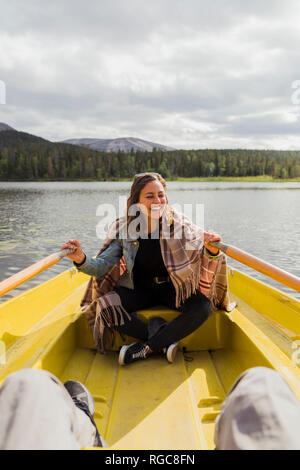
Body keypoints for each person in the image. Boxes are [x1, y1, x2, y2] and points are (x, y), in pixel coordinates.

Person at [62, 172, 232, 365]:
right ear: (137, 201)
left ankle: (146, 348)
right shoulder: (125, 229)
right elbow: (101, 267)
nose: (157, 200)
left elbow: (201, 251)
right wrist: (81, 259)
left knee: (202, 307)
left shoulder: (180, 224)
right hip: (138, 289)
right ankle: (161, 339)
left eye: (161, 195)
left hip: (172, 288)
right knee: (102, 307)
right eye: (150, 196)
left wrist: (211, 249)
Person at [0, 367, 299, 450]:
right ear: (137, 207)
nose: (156, 207)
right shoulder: (127, 234)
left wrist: (209, 255)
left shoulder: (181, 232)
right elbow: (103, 263)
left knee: (29, 385)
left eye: (161, 205)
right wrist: (81, 261)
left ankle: (83, 424)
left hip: (173, 301)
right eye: (148, 205)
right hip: (139, 300)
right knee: (264, 383)